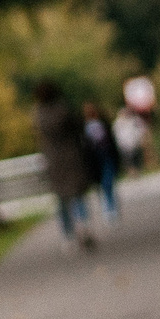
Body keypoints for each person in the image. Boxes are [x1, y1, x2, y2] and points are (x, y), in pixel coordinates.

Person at [33, 80, 94, 249]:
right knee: (78, 196)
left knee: (62, 200)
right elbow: (79, 127)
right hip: (71, 157)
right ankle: (85, 227)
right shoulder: (63, 109)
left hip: (54, 161)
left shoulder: (39, 113)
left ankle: (68, 235)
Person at [82, 101, 122, 222]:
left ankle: (110, 206)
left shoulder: (102, 124)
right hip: (94, 159)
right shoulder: (84, 127)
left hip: (106, 155)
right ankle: (108, 205)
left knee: (108, 182)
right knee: (102, 184)